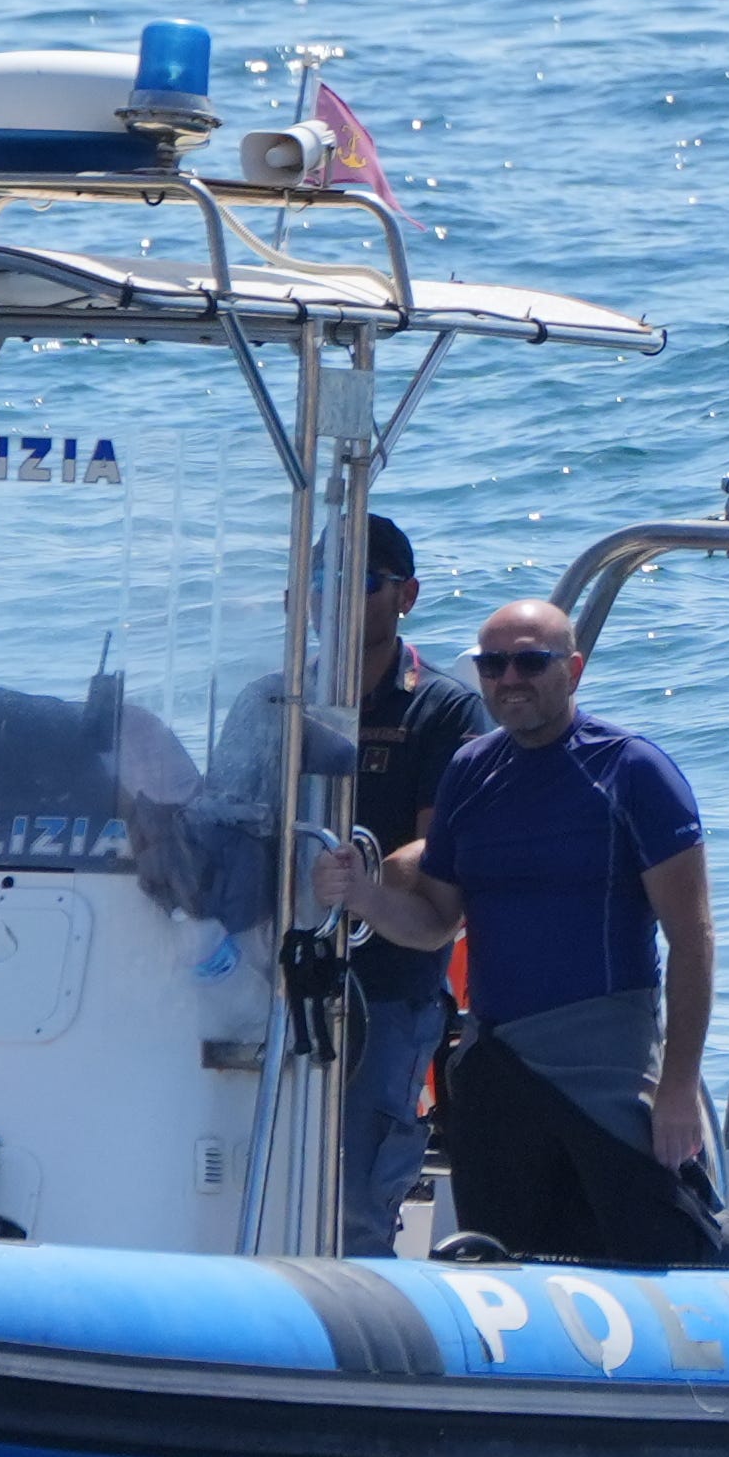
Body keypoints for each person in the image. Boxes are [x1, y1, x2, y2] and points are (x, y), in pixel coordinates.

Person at [354, 594, 717, 1266]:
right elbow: (436, 921)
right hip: (501, 1064)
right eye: (493, 666)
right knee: (511, 1257)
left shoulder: (632, 769)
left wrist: (677, 1091)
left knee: (668, 1249)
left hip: (606, 1059)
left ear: (572, 670)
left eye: (529, 662)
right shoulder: (470, 771)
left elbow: (692, 941)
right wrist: (362, 896)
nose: (509, 680)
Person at [328, 514, 483, 1256]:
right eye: (318, 580)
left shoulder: (443, 708)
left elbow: (440, 851)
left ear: (406, 596)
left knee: (358, 1200)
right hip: (273, 981)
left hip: (388, 982)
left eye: (359, 582)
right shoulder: (271, 697)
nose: (336, 598)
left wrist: (365, 886)